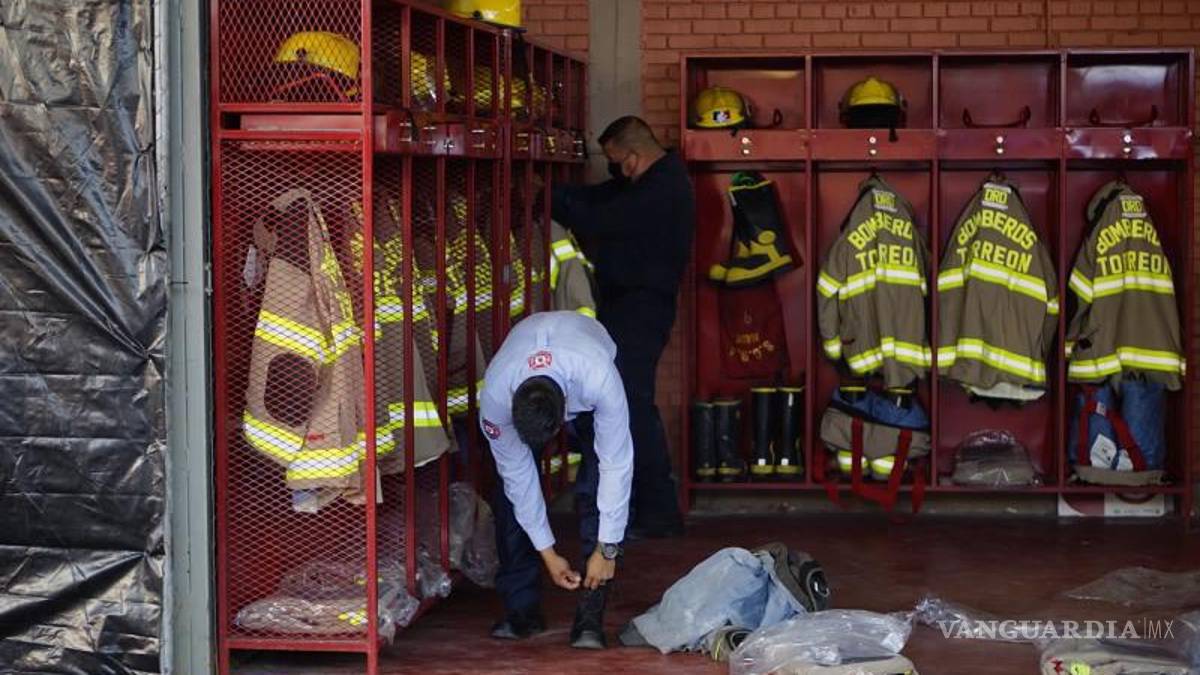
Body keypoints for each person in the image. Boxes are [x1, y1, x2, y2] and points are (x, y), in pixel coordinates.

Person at [551, 116, 693, 539]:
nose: (615, 171)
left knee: (631, 405)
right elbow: (601, 197)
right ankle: (647, 509)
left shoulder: (662, 190)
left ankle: (657, 513)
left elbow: (600, 218)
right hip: (630, 306)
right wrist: (556, 196)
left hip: (641, 308)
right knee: (628, 404)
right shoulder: (651, 182)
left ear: (632, 157)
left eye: (616, 162)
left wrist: (551, 203)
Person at [480, 311, 633, 649]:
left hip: (588, 350)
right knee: (509, 496)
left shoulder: (598, 377)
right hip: (526, 352)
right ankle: (522, 610)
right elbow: (519, 479)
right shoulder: (495, 396)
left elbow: (616, 465)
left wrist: (607, 547)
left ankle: (591, 614)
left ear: (565, 411)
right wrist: (548, 553)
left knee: (596, 486)